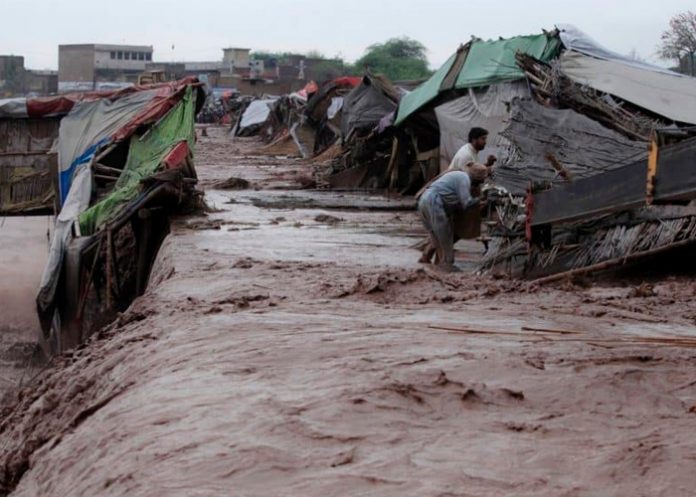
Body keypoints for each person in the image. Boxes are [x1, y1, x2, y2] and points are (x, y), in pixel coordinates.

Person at [417, 164, 488, 272]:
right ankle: (447, 264)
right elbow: (467, 203)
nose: (480, 184)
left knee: (435, 237)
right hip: (434, 202)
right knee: (445, 235)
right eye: (480, 181)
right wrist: (483, 199)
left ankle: (431, 262)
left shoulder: (459, 176)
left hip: (424, 200)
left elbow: (456, 204)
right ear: (476, 178)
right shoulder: (465, 179)